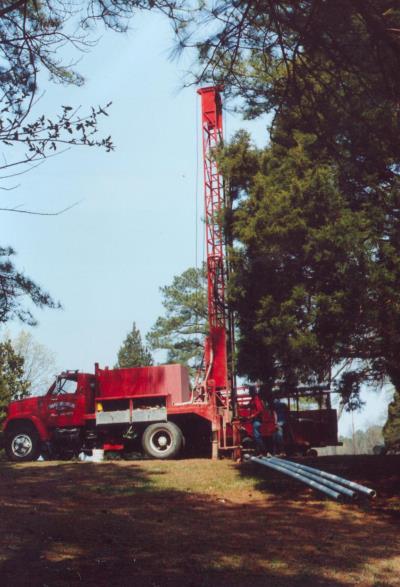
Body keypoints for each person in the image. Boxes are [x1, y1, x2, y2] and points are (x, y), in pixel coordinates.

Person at [248, 386, 267, 455]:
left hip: (257, 420)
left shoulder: (256, 399)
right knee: (256, 436)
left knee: (257, 436)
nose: (249, 392)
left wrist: (253, 415)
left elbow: (260, 410)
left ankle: (264, 450)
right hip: (255, 420)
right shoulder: (253, 399)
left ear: (253, 391)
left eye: (250, 391)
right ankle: (259, 452)